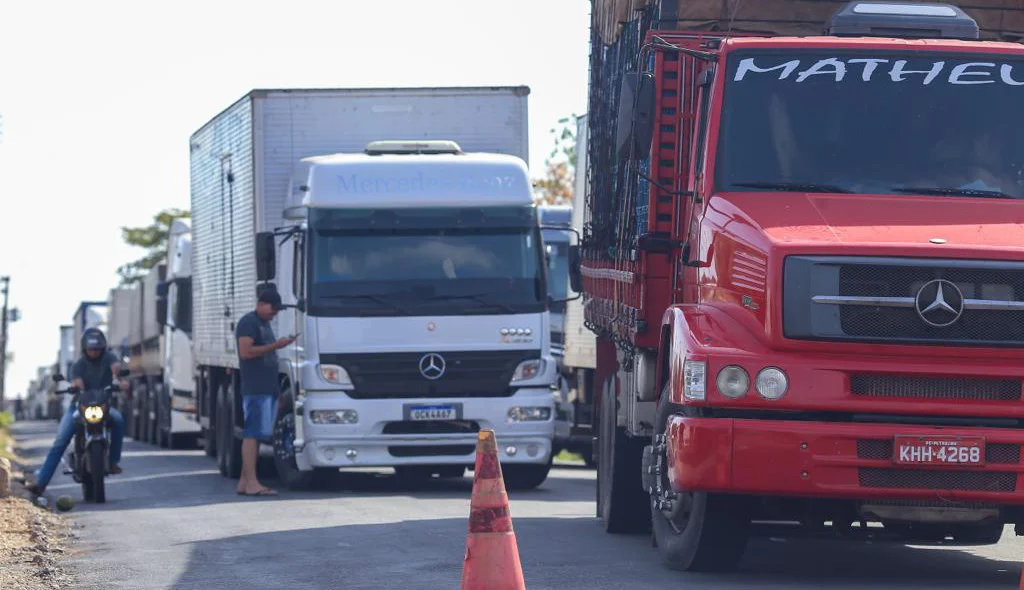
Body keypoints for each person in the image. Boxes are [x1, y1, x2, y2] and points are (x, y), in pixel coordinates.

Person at [27, 328, 127, 496]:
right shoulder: (78, 365)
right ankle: (41, 483)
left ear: (103, 348)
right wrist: (77, 387)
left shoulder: (109, 357)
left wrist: (121, 380)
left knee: (118, 421)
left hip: (103, 406)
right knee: (60, 440)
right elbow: (77, 381)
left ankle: (113, 462)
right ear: (84, 349)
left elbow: (116, 369)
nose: (94, 352)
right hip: (80, 406)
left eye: (97, 349)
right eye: (91, 349)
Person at [234, 288, 295, 496]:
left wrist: (276, 390)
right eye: (272, 309)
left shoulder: (264, 324)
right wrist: (275, 345)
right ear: (261, 303)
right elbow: (246, 352)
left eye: (277, 311)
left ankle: (245, 481)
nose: (274, 313)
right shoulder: (248, 323)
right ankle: (252, 482)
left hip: (267, 388)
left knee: (259, 434)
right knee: (252, 434)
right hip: (255, 388)